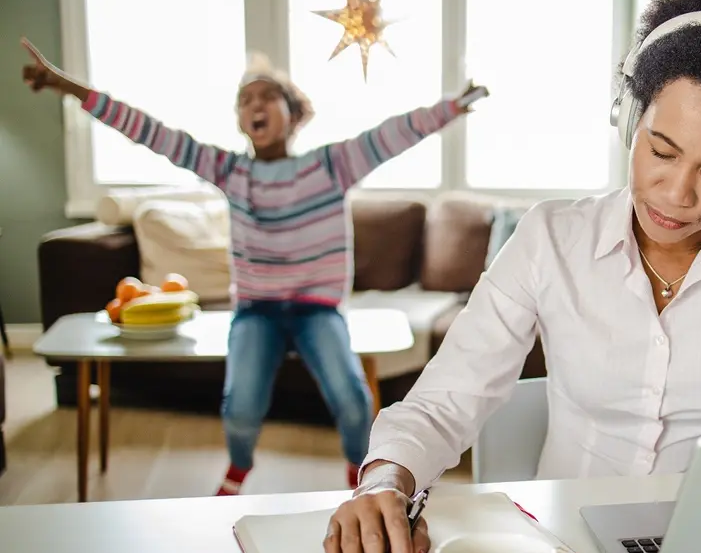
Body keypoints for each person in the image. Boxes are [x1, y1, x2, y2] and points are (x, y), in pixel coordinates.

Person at [318, 0, 701, 553]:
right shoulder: (551, 237)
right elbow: (447, 397)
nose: (676, 193)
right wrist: (386, 479)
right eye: (660, 150)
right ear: (629, 121)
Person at [21, 43, 482, 495]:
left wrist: (452, 108)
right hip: (256, 311)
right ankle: (240, 466)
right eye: (245, 100)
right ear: (241, 121)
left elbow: (395, 134)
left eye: (266, 97)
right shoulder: (229, 170)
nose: (254, 105)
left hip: (316, 310)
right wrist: (69, 87)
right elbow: (150, 132)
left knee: (353, 401)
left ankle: (357, 472)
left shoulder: (331, 166)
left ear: (293, 113)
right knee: (240, 408)